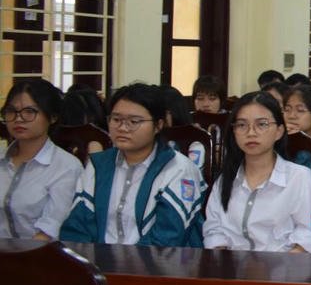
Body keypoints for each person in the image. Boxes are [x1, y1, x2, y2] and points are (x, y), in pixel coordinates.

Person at [58, 83, 204, 247]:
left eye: (134, 121)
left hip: (156, 261)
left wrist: (123, 261)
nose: (122, 128)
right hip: (98, 259)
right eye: (116, 119)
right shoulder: (99, 165)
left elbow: (168, 237)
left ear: (158, 125)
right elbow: (77, 226)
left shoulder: (178, 169)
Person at [202, 93, 311, 252]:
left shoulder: (299, 178)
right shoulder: (226, 179)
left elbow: (306, 236)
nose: (251, 132)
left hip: (283, 265)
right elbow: (213, 231)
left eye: (262, 124)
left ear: (279, 131)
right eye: (242, 125)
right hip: (230, 265)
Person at [4, 79, 81, 240]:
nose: (19, 118)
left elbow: (50, 230)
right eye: (11, 111)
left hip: (39, 253)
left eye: (29, 111)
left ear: (52, 117)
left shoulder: (66, 167)